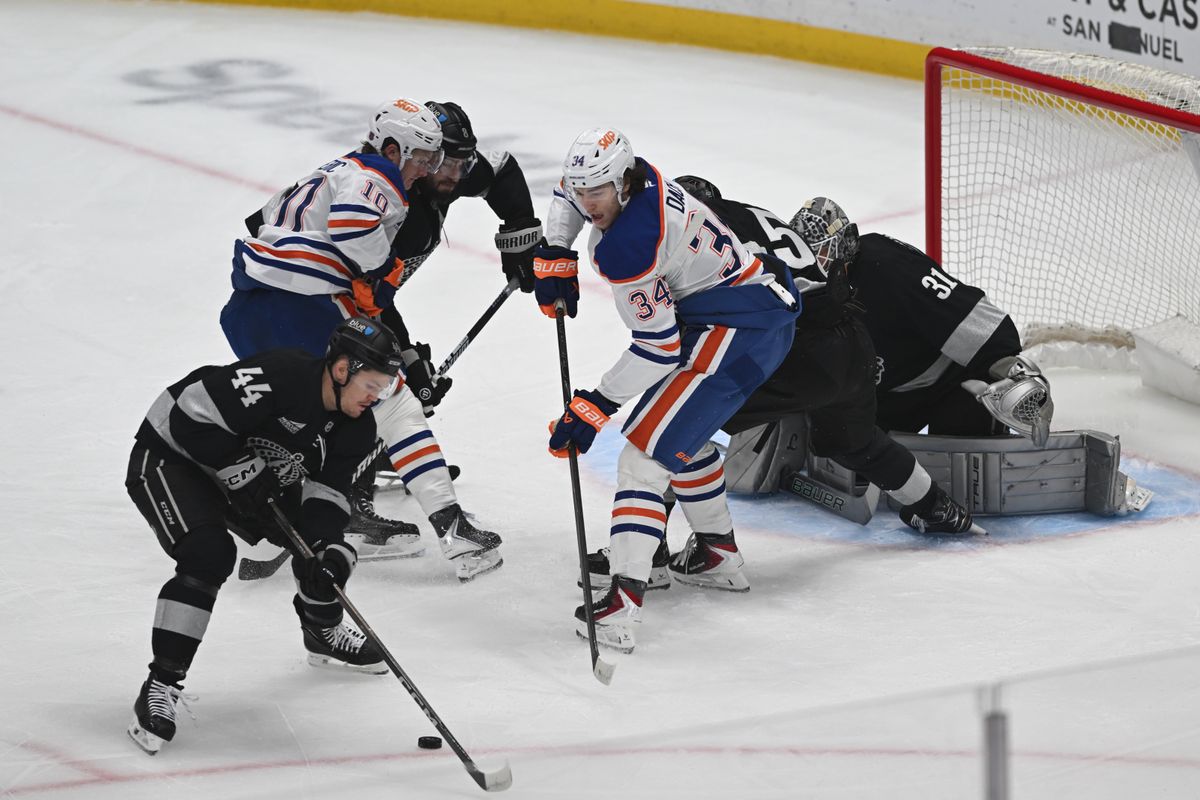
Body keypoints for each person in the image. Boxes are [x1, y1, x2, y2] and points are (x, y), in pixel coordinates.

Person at [534, 128, 800, 652]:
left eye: (599, 194)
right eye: (583, 192)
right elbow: (567, 192)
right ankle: (717, 556)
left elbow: (658, 347)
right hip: (747, 312)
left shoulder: (631, 245)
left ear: (624, 184)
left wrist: (596, 405)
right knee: (680, 436)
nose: (589, 206)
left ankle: (622, 604)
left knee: (643, 456)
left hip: (738, 329)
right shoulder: (632, 175)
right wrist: (554, 249)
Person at [220, 98, 503, 579]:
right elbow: (353, 229)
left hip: (250, 311)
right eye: (421, 158)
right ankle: (454, 533)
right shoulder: (378, 176)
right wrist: (378, 271)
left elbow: (261, 223)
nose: (426, 171)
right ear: (393, 147)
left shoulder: (332, 170)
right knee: (394, 404)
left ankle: (279, 522)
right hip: (301, 308)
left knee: (313, 414)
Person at [124, 317, 402, 755]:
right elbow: (189, 417)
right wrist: (239, 466)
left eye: (384, 389)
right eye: (372, 385)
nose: (376, 397)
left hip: (248, 476)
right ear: (343, 368)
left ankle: (321, 630)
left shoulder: (356, 427)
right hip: (171, 456)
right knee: (209, 554)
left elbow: (327, 496)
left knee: (325, 554)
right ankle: (161, 684)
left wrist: (324, 553)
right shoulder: (283, 376)